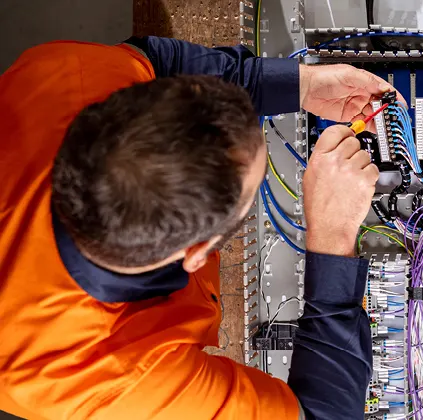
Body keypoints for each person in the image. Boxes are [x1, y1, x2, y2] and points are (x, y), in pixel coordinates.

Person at [0, 36, 396, 418]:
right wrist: (332, 240)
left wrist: (299, 85)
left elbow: (155, 61)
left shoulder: (64, 77)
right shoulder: (111, 379)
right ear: (195, 254)